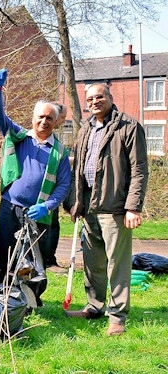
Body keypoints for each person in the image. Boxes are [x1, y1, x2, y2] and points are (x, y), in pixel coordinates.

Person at [65, 83, 148, 336]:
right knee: (93, 262)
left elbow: (139, 170)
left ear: (110, 97)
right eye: (89, 99)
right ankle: (94, 306)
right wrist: (75, 202)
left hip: (115, 208)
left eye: (99, 97)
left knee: (117, 264)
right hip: (88, 207)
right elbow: (77, 169)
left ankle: (117, 315)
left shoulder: (128, 127)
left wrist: (133, 207)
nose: (94, 102)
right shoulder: (85, 129)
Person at [0, 68, 71, 287]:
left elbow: (63, 185)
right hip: (10, 207)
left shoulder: (60, 152)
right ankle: (2, 296)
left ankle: (28, 300)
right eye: (40, 117)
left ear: (56, 122)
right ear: (33, 118)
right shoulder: (19, 136)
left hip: (38, 214)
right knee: (5, 254)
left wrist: (48, 206)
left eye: (49, 118)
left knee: (33, 259)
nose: (44, 121)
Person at [44, 102, 69, 273]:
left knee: (54, 225)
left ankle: (49, 258)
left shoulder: (57, 140)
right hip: (45, 193)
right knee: (49, 227)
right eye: (63, 117)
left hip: (55, 192)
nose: (64, 120)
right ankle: (47, 260)